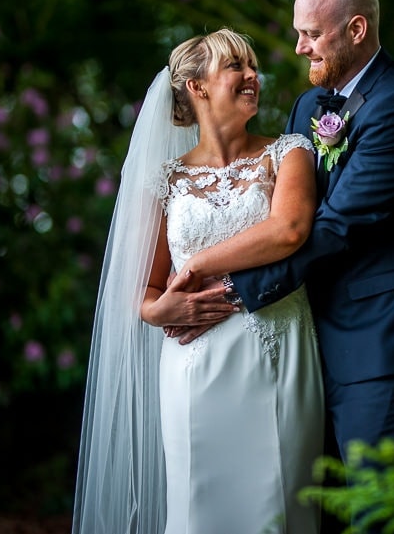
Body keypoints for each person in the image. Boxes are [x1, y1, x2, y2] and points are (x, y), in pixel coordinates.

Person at [217, 0, 394, 524]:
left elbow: (336, 225)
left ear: (356, 29)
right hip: (310, 346)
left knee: (381, 515)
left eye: (311, 34)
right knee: (316, 517)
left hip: (385, 344)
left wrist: (233, 291)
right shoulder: (309, 108)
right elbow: (284, 209)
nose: (299, 46)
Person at [72, 28, 324, 533]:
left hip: (275, 350)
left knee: (279, 506)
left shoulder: (289, 151)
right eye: (236, 66)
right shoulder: (166, 180)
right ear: (197, 86)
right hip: (193, 364)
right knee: (198, 507)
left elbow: (289, 230)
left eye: (252, 66)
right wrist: (156, 310)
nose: (253, 76)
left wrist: (198, 264)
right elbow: (143, 289)